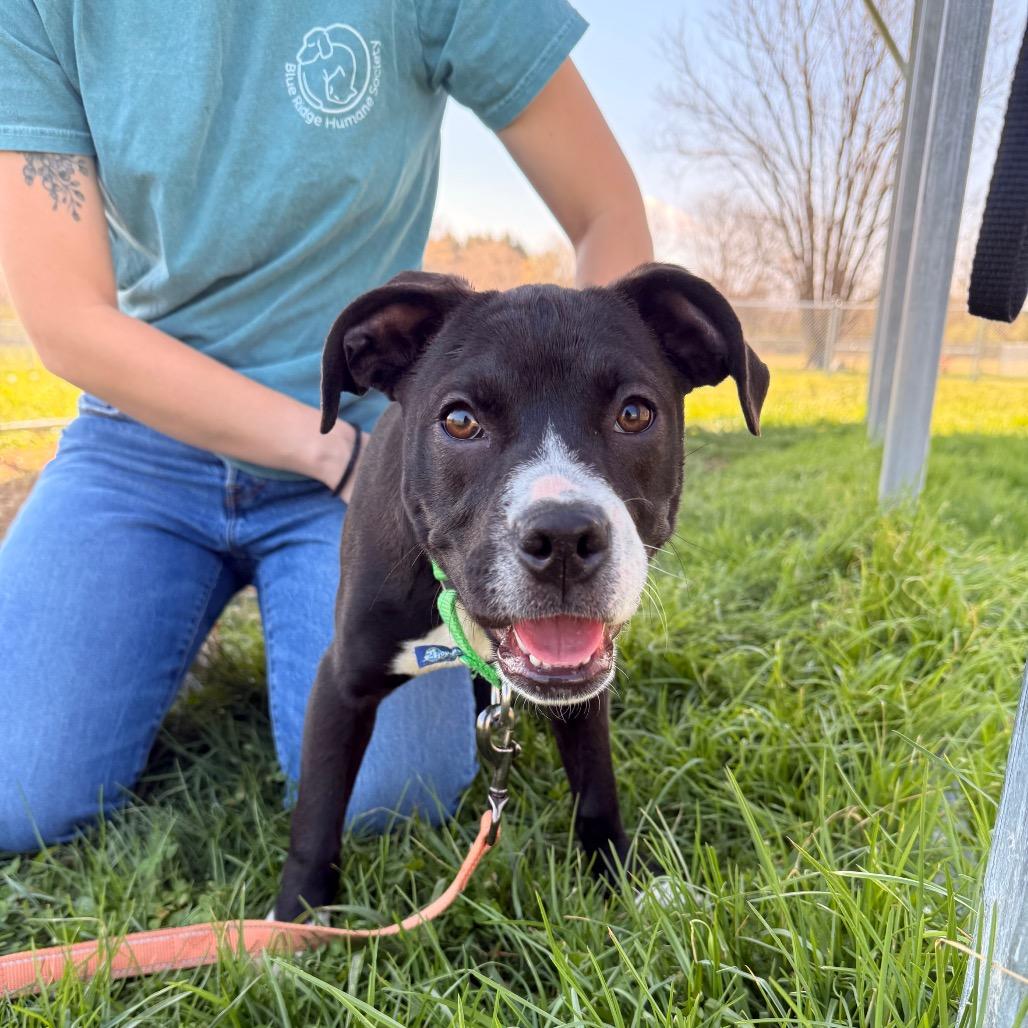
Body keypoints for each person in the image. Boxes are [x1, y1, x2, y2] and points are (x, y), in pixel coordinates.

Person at [0, 2, 653, 853]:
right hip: (143, 444)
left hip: (365, 463)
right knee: (16, 794)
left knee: (395, 801)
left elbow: (606, 209)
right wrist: (326, 449)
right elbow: (66, 319)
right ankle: (153, 622)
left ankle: (387, 638)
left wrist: (570, 453)